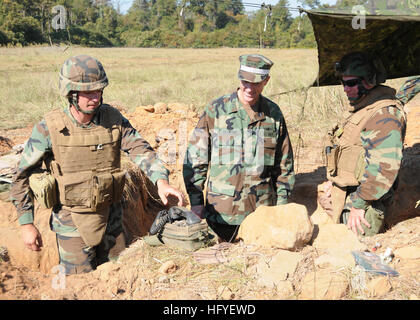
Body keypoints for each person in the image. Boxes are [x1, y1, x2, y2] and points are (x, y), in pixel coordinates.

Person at [10, 54, 184, 274]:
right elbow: (22, 176)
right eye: (87, 92)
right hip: (71, 222)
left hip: (113, 219)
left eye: (98, 90)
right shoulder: (49, 128)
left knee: (118, 276)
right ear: (71, 94)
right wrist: (27, 224)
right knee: (79, 283)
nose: (95, 97)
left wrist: (161, 181)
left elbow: (141, 149)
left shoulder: (113, 119)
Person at [183, 54, 295, 242]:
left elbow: (284, 164)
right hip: (220, 216)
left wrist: (281, 207)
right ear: (239, 77)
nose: (249, 89)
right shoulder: (216, 110)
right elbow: (196, 158)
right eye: (245, 82)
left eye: (256, 83)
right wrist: (196, 202)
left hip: (261, 216)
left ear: (266, 81)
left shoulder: (273, 114)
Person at [319, 51, 406, 236]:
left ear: (368, 82)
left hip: (370, 199)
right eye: (343, 82)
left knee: (355, 233)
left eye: (351, 83)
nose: (345, 89)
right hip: (352, 187)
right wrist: (335, 182)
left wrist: (358, 205)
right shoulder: (364, 106)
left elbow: (383, 169)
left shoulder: (385, 116)